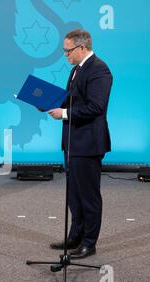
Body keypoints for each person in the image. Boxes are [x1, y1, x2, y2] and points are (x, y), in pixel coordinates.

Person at [48, 30, 112, 259]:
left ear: (81, 48)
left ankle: (89, 243)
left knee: (88, 196)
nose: (65, 55)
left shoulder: (99, 70)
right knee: (74, 195)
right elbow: (71, 99)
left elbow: (96, 107)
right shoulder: (76, 69)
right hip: (73, 142)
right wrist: (45, 101)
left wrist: (64, 112)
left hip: (88, 144)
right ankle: (75, 236)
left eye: (67, 50)